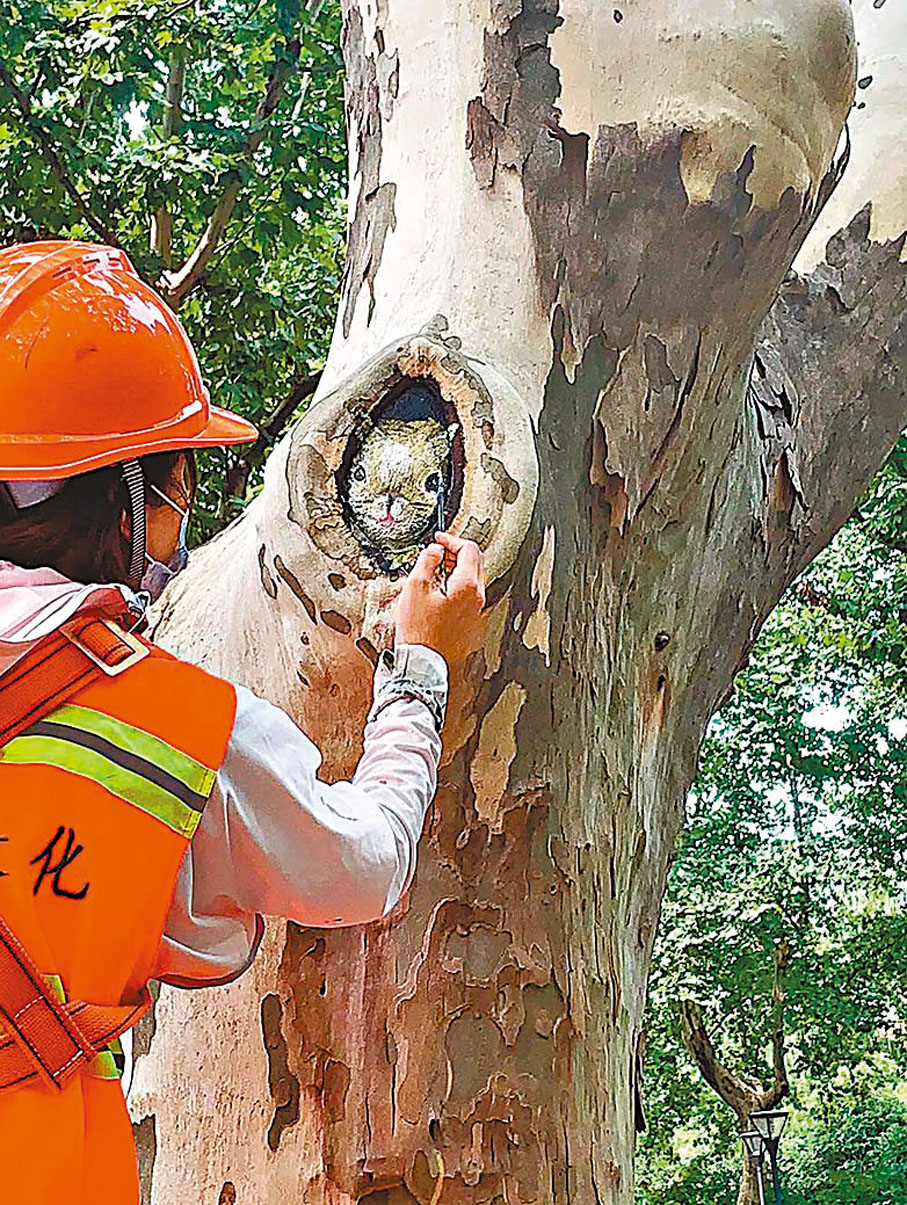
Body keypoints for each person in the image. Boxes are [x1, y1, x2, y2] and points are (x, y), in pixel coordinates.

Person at [0, 240, 486, 1204]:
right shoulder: (173, 725)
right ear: (126, 495)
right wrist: (418, 663)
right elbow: (364, 864)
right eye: (176, 483)